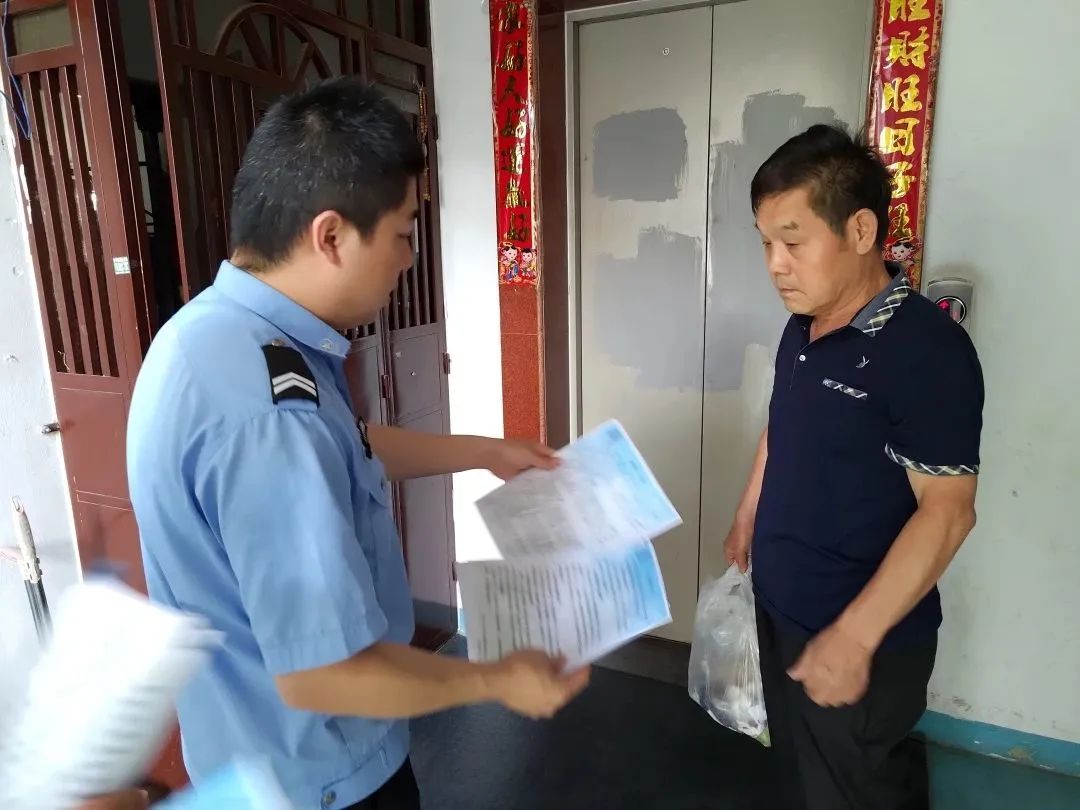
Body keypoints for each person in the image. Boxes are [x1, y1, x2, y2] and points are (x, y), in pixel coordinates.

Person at [126, 78, 589, 810]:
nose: (408, 257)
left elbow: (346, 443)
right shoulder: (268, 409)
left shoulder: (209, 336)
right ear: (332, 236)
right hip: (320, 781)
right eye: (403, 233)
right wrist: (499, 679)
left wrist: (485, 452)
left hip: (246, 759)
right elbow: (324, 674)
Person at [722, 125, 983, 810]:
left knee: (850, 790)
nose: (775, 264)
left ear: (861, 230)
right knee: (803, 779)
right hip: (784, 609)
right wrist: (748, 512)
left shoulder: (927, 351)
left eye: (793, 241)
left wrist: (854, 637)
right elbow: (784, 422)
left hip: (861, 639)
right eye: (765, 244)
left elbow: (949, 512)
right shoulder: (802, 325)